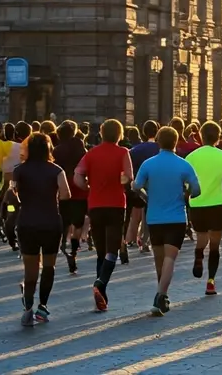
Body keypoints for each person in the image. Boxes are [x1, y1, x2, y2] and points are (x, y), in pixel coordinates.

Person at [133, 126, 201, 316]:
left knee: (159, 259)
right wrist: (186, 195)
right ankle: (160, 295)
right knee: (170, 258)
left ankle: (162, 294)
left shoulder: (148, 164)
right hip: (176, 217)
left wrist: (147, 197)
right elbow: (197, 190)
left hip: (154, 217)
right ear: (176, 141)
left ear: (158, 142)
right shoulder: (183, 164)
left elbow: (136, 186)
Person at [74, 119, 134, 312]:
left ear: (101, 133)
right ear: (120, 135)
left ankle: (102, 295)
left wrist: (87, 187)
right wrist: (120, 181)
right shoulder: (123, 152)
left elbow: (77, 176)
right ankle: (100, 283)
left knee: (101, 250)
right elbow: (129, 176)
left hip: (95, 204)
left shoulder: (91, 154)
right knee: (112, 250)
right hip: (116, 203)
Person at [13, 132, 72, 325]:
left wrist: (17, 206)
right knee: (49, 267)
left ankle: (28, 307)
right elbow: (65, 194)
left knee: (30, 272)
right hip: (50, 223)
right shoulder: (56, 170)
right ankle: (43, 307)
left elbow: (12, 194)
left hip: (27, 222)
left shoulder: (19, 171)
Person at [185, 122, 222, 297]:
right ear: (219, 137)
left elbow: (187, 183)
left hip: (197, 203)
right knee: (215, 245)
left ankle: (198, 253)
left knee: (202, 236)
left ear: (200, 136)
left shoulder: (191, 157)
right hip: (218, 203)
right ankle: (211, 281)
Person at [52, 122, 88, 276]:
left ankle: (62, 245)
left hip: (63, 187)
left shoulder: (57, 150)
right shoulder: (81, 148)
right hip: (79, 187)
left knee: (64, 219)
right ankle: (74, 248)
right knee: (78, 222)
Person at [126, 121, 160, 255]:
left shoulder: (135, 150)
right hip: (158, 184)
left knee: (136, 215)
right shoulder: (160, 148)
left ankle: (132, 239)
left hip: (140, 186)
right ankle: (146, 239)